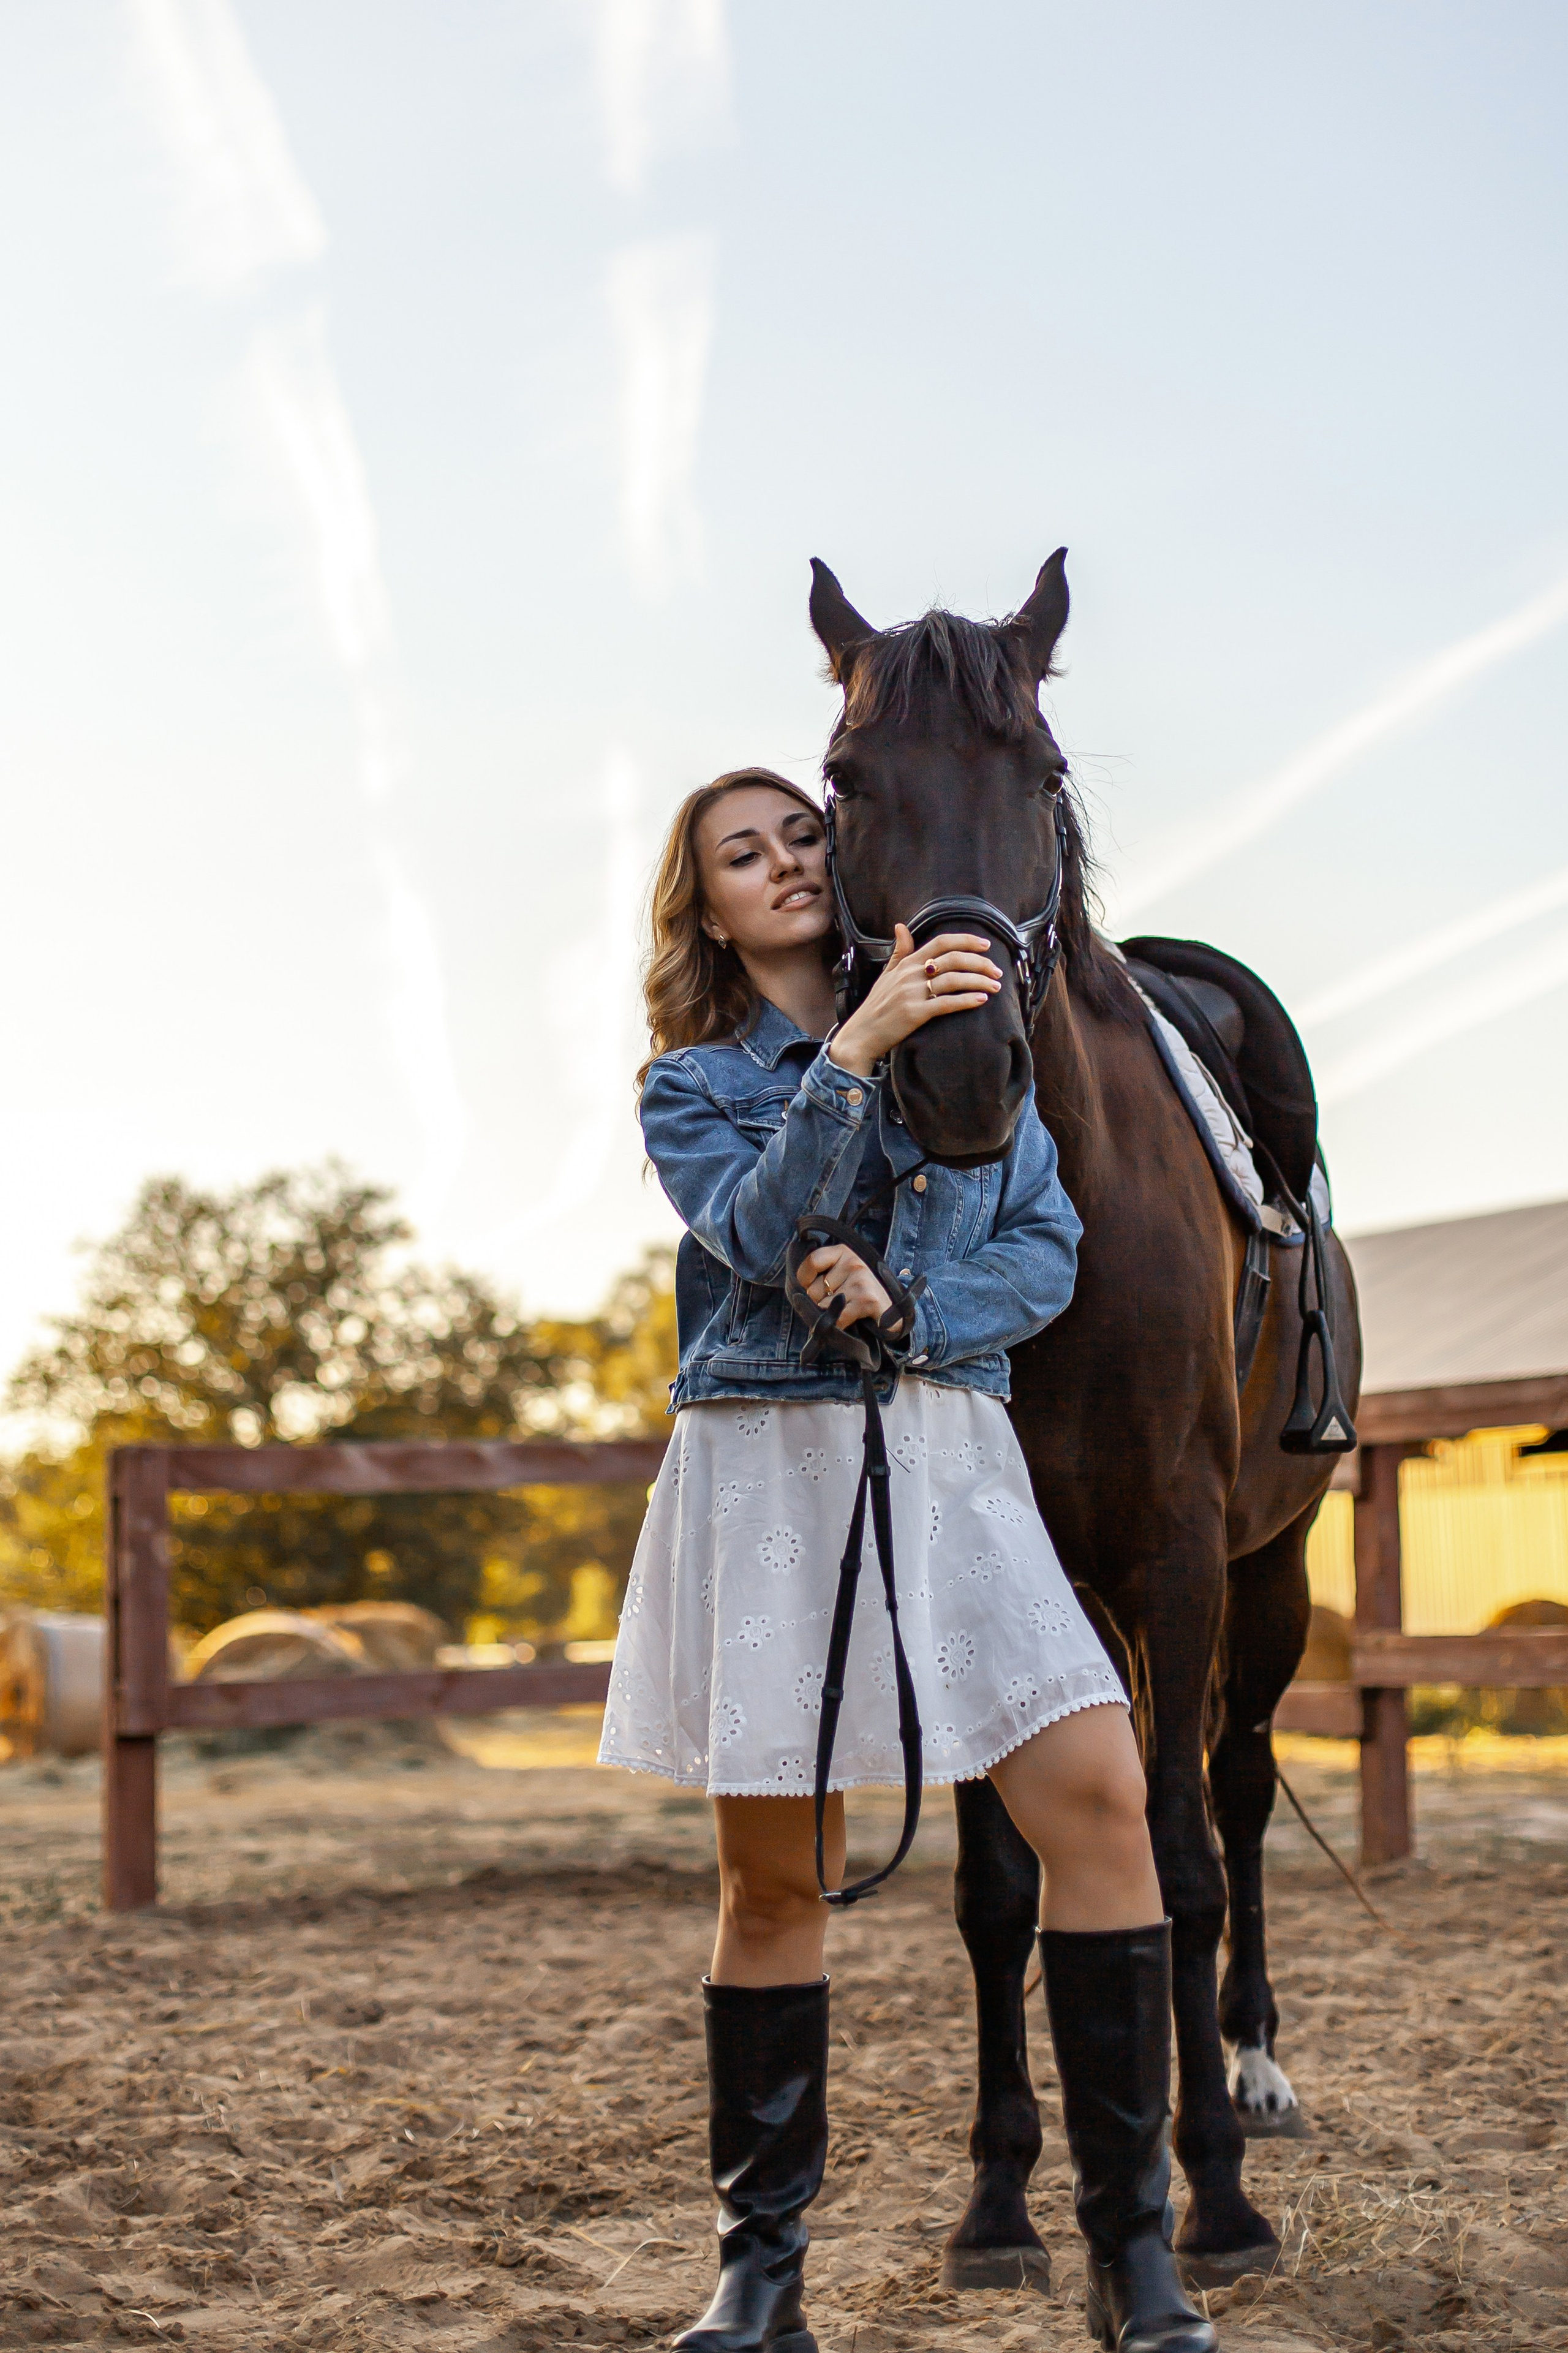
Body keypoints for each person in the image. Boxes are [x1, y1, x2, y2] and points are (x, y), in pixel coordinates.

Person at [598, 766, 1216, 2353]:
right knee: (774, 1874)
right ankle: (760, 2278)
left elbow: (1049, 1246)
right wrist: (854, 1053)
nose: (784, 861)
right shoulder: (693, 1079)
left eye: (800, 831)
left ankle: (1133, 2256)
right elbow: (755, 1224)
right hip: (766, 1465)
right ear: (709, 904)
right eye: (743, 852)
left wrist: (917, 1306)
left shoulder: (971, 1035)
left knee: (1098, 1795)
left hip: (948, 1448)